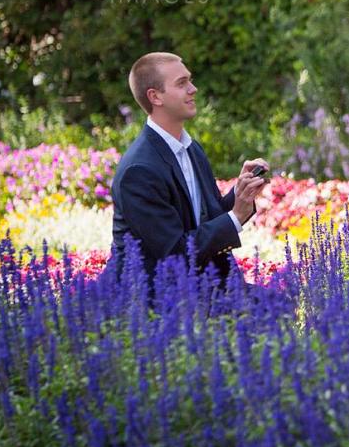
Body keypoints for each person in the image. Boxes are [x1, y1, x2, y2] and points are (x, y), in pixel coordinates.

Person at [103, 51, 268, 292]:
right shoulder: (138, 170)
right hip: (155, 300)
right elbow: (175, 252)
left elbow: (204, 220)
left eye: (189, 80)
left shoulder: (190, 148)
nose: (193, 89)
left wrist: (240, 192)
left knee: (283, 303)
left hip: (198, 283)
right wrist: (236, 217)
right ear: (155, 96)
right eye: (182, 83)